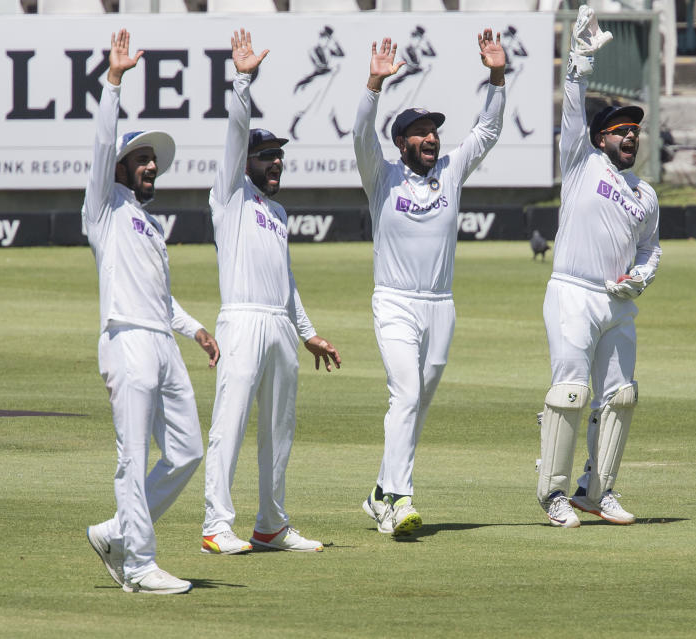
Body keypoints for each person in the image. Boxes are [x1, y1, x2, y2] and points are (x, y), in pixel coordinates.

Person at [83, 29, 219, 594]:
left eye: (151, 162)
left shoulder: (148, 222)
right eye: (138, 160)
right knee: (133, 458)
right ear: (118, 168)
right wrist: (113, 81)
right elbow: (100, 143)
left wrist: (193, 329)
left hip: (160, 340)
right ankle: (138, 565)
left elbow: (160, 297)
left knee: (188, 451)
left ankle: (118, 532)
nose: (148, 168)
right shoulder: (103, 207)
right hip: (127, 340)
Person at [354, 31, 505, 536]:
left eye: (434, 131)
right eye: (419, 132)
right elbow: (360, 136)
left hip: (441, 306)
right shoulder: (382, 177)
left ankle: (378, 491)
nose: (431, 138)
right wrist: (374, 85)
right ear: (401, 143)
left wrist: (497, 78)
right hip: (394, 302)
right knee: (406, 394)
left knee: (416, 406)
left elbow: (486, 133)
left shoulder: (451, 171)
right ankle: (400, 500)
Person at [201, 29, 341, 555]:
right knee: (230, 425)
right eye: (266, 157)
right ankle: (216, 525)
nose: (275, 162)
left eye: (279, 156)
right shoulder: (228, 197)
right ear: (246, 164)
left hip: (280, 327)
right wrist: (242, 81)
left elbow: (286, 282)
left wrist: (307, 333)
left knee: (278, 432)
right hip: (241, 321)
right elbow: (236, 136)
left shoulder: (278, 212)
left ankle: (271, 525)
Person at [536, 6, 661, 528]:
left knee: (621, 396)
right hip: (572, 291)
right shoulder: (581, 164)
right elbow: (571, 110)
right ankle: (553, 494)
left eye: (634, 130)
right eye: (619, 130)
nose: (629, 136)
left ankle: (597, 490)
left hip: (618, 302)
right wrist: (579, 61)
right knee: (570, 392)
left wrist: (640, 278)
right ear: (600, 137)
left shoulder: (646, 194)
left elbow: (650, 248)